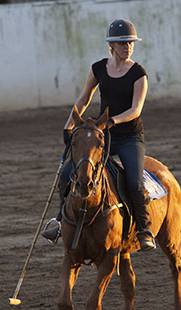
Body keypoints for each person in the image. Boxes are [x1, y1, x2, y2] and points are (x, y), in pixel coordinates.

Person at [41, 18, 155, 251]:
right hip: (103, 137)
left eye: (131, 43)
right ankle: (61, 222)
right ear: (111, 45)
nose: (128, 47)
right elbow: (83, 99)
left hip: (129, 137)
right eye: (123, 43)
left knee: (134, 182)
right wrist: (68, 126)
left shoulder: (139, 73)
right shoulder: (98, 69)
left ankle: (145, 229)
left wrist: (112, 120)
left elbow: (136, 110)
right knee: (66, 175)